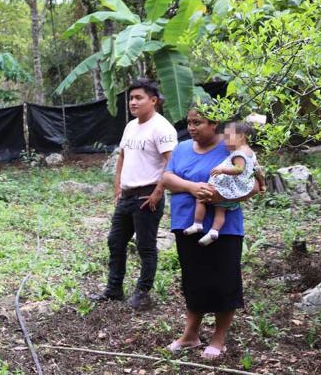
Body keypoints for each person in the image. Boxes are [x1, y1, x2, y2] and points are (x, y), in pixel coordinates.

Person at [162, 107, 260, 360]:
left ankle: (219, 338)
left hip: (224, 227)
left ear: (215, 123)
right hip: (186, 222)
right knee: (193, 280)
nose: (192, 127)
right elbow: (167, 178)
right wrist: (193, 187)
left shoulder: (232, 146)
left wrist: (221, 195)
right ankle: (191, 335)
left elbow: (257, 185)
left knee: (223, 280)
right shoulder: (182, 148)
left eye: (198, 122)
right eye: (189, 122)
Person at [90, 79, 178, 310]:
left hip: (147, 195)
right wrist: (117, 186)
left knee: (145, 246)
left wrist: (159, 191)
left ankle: (142, 292)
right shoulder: (131, 126)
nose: (133, 102)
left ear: (154, 101)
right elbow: (122, 157)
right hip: (127, 196)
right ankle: (114, 288)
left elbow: (172, 163)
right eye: (131, 98)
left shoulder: (162, 128)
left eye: (138, 98)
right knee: (115, 242)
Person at [184, 121, 263, 245]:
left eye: (227, 137)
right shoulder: (251, 153)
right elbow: (258, 170)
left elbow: (238, 169)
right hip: (239, 189)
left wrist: (222, 170)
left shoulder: (238, 154)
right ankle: (214, 232)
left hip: (229, 187)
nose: (225, 141)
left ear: (241, 137)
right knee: (220, 210)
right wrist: (262, 183)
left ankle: (197, 223)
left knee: (200, 198)